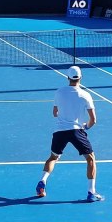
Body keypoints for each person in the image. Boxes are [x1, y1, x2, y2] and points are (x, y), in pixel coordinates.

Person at [35, 66, 103, 202]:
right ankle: (91, 192)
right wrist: (86, 127)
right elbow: (93, 120)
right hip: (77, 131)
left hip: (60, 131)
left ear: (68, 78)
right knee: (90, 159)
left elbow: (55, 113)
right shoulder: (86, 95)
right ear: (80, 78)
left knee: (53, 157)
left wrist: (64, 115)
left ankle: (42, 181)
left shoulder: (59, 92)